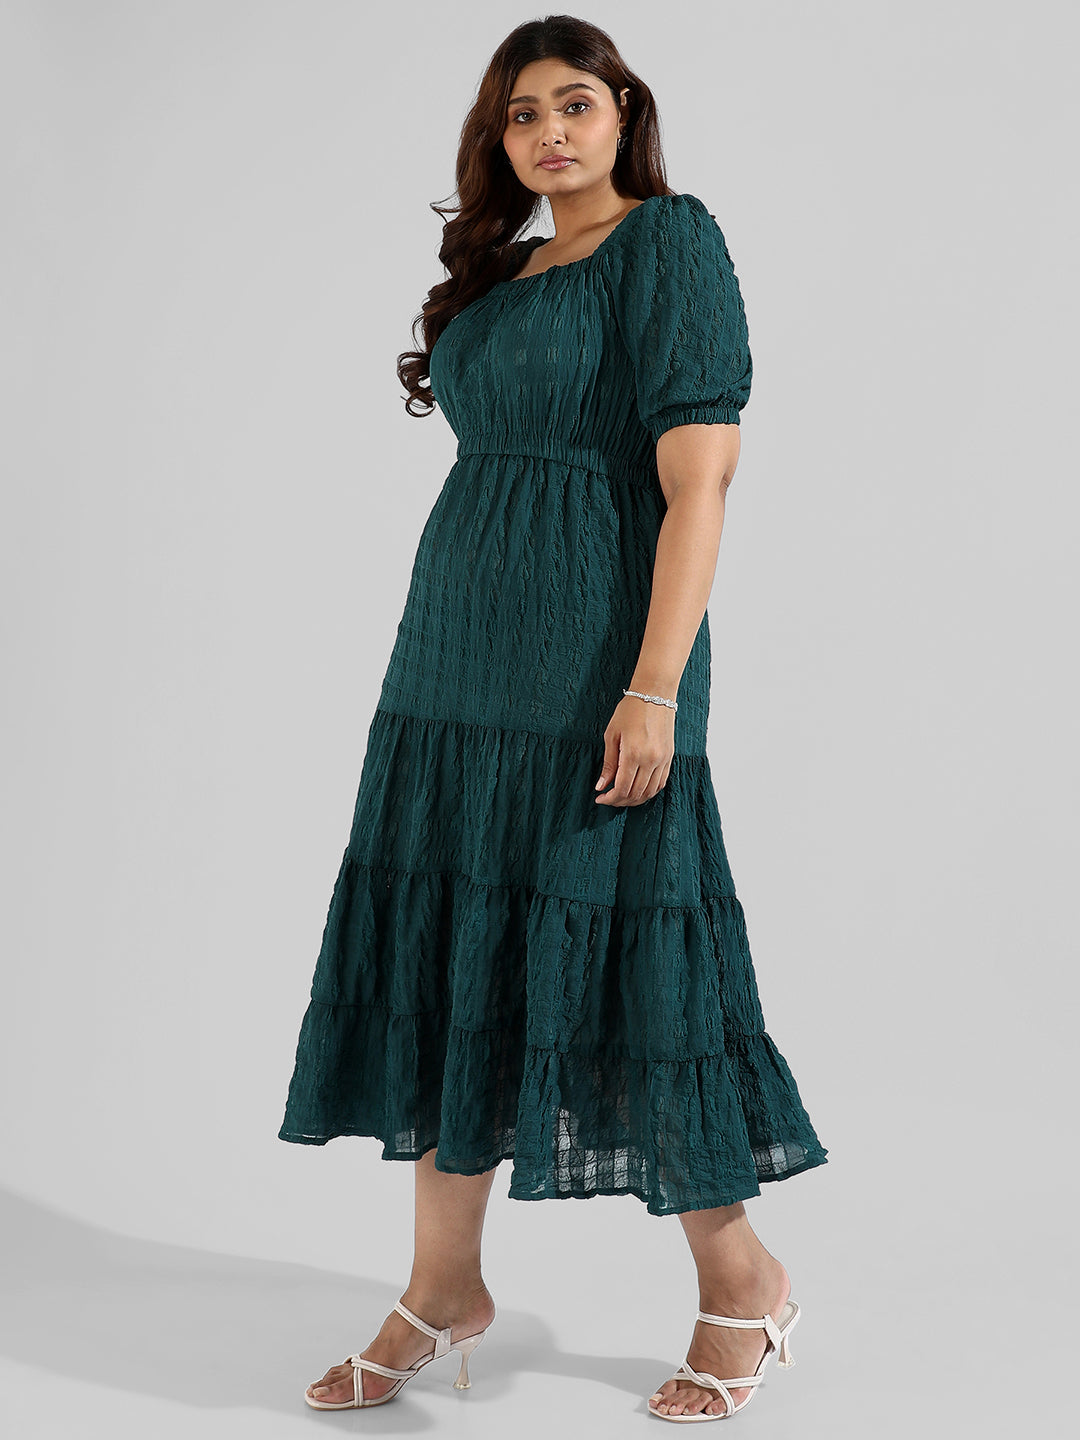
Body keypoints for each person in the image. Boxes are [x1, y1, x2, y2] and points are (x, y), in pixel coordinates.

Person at [279, 15, 829, 1424]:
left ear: (623, 110)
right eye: (521, 116)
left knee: (635, 967)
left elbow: (700, 482)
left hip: (599, 662)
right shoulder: (506, 270)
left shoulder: (671, 243)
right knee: (455, 950)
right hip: (456, 659)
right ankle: (443, 1285)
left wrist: (655, 686)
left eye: (574, 104)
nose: (549, 134)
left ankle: (745, 1280)